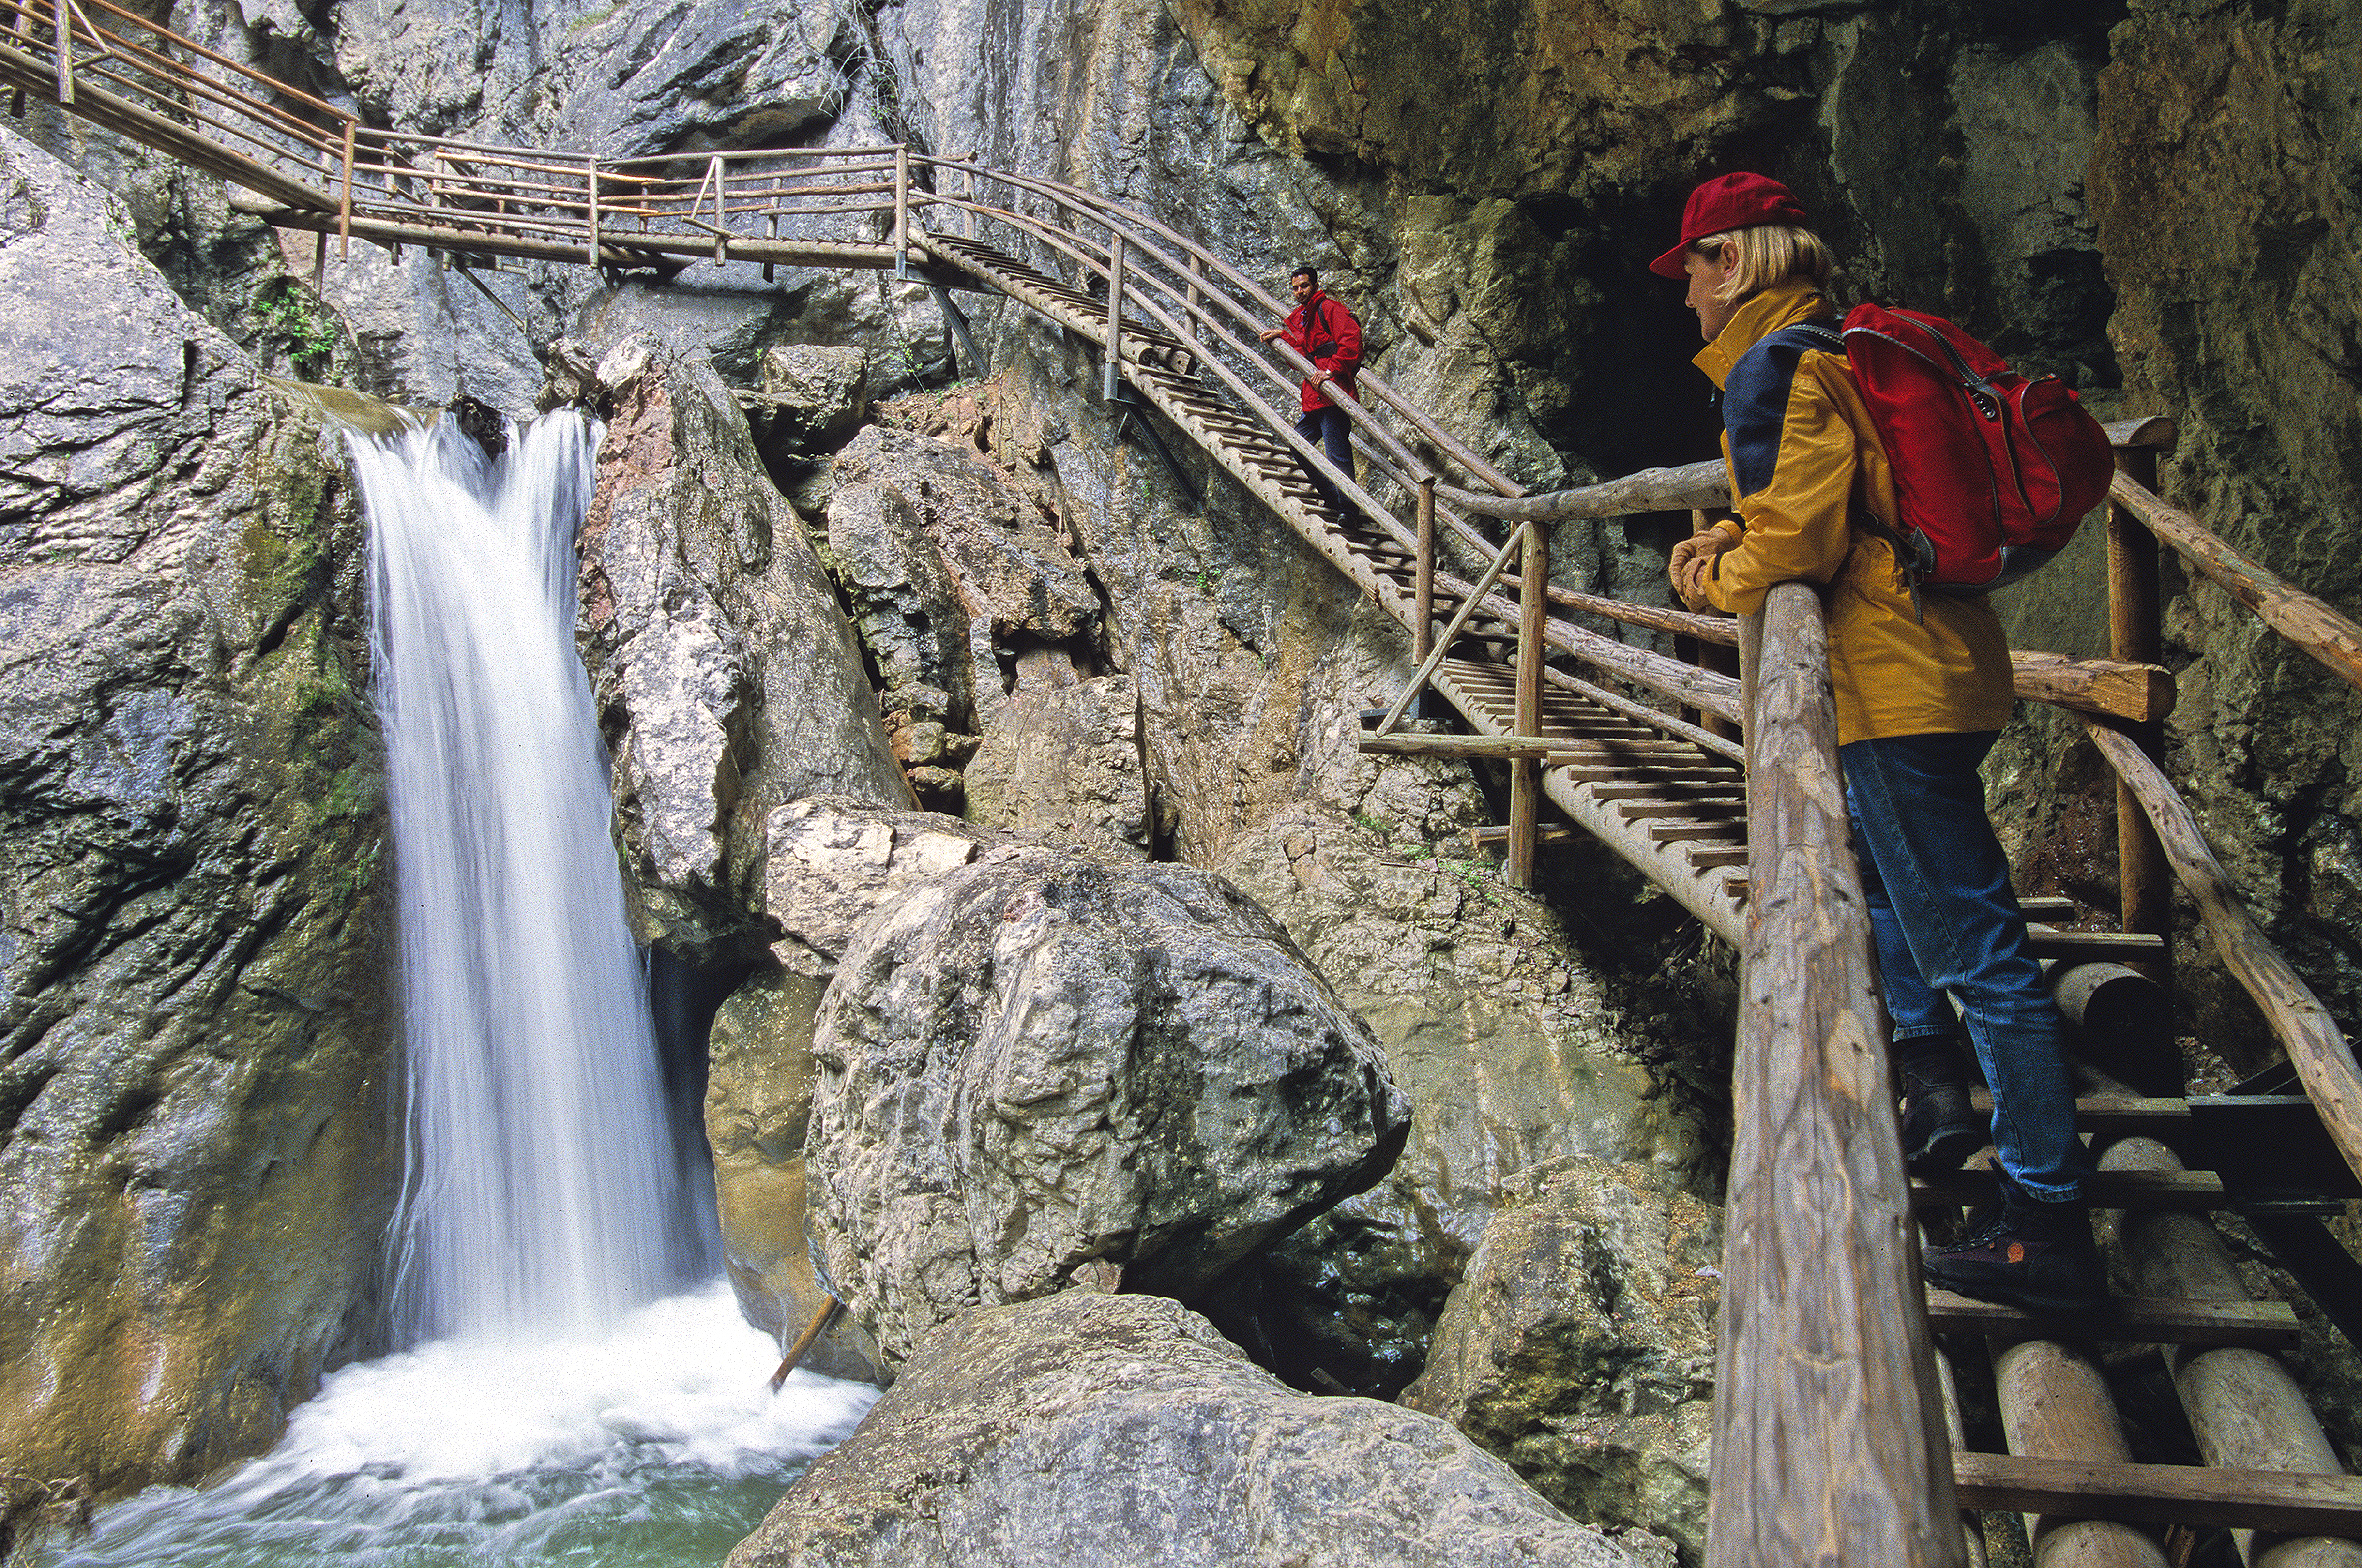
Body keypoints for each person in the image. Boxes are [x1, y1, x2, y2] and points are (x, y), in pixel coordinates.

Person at [1656, 172, 2103, 1316]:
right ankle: (1936, 1086)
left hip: (1891, 682)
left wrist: (1708, 570)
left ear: (1737, 262)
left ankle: (2045, 1218)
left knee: (1978, 948)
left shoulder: (1778, 365)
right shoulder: (1831, 349)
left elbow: (1794, 540)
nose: (1686, 296)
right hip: (1935, 660)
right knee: (1904, 895)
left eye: (1695, 268)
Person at [1258, 266, 1362, 515]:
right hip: (1315, 397)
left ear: (1314, 285)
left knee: (1337, 455)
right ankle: (1335, 500)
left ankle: (1349, 508)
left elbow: (1352, 341)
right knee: (1298, 445)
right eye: (1294, 288)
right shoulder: (1305, 317)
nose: (1299, 291)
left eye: (1304, 286)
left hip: (1332, 392)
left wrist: (1330, 371)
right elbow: (1305, 349)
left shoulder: (1330, 309)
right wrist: (1282, 336)